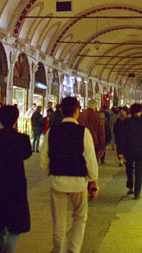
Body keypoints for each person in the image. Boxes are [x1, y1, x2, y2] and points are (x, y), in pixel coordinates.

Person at [40, 96, 99, 253]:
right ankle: (74, 249)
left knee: (58, 223)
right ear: (76, 111)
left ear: (61, 111)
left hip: (57, 182)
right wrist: (94, 182)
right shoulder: (83, 132)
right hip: (79, 182)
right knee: (80, 216)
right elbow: (90, 158)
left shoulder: (52, 132)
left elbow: (44, 157)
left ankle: (59, 250)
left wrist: (49, 173)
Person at [0, 105, 32, 253]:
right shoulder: (22, 139)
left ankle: (0, 246)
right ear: (16, 119)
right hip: (16, 184)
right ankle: (7, 249)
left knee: (1, 217)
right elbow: (27, 154)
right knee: (16, 222)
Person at [118, 103, 142, 199]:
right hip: (141, 151)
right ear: (140, 112)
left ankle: (130, 186)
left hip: (128, 150)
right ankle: (137, 193)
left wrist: (120, 152)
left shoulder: (126, 122)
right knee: (139, 172)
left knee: (129, 169)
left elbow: (121, 138)